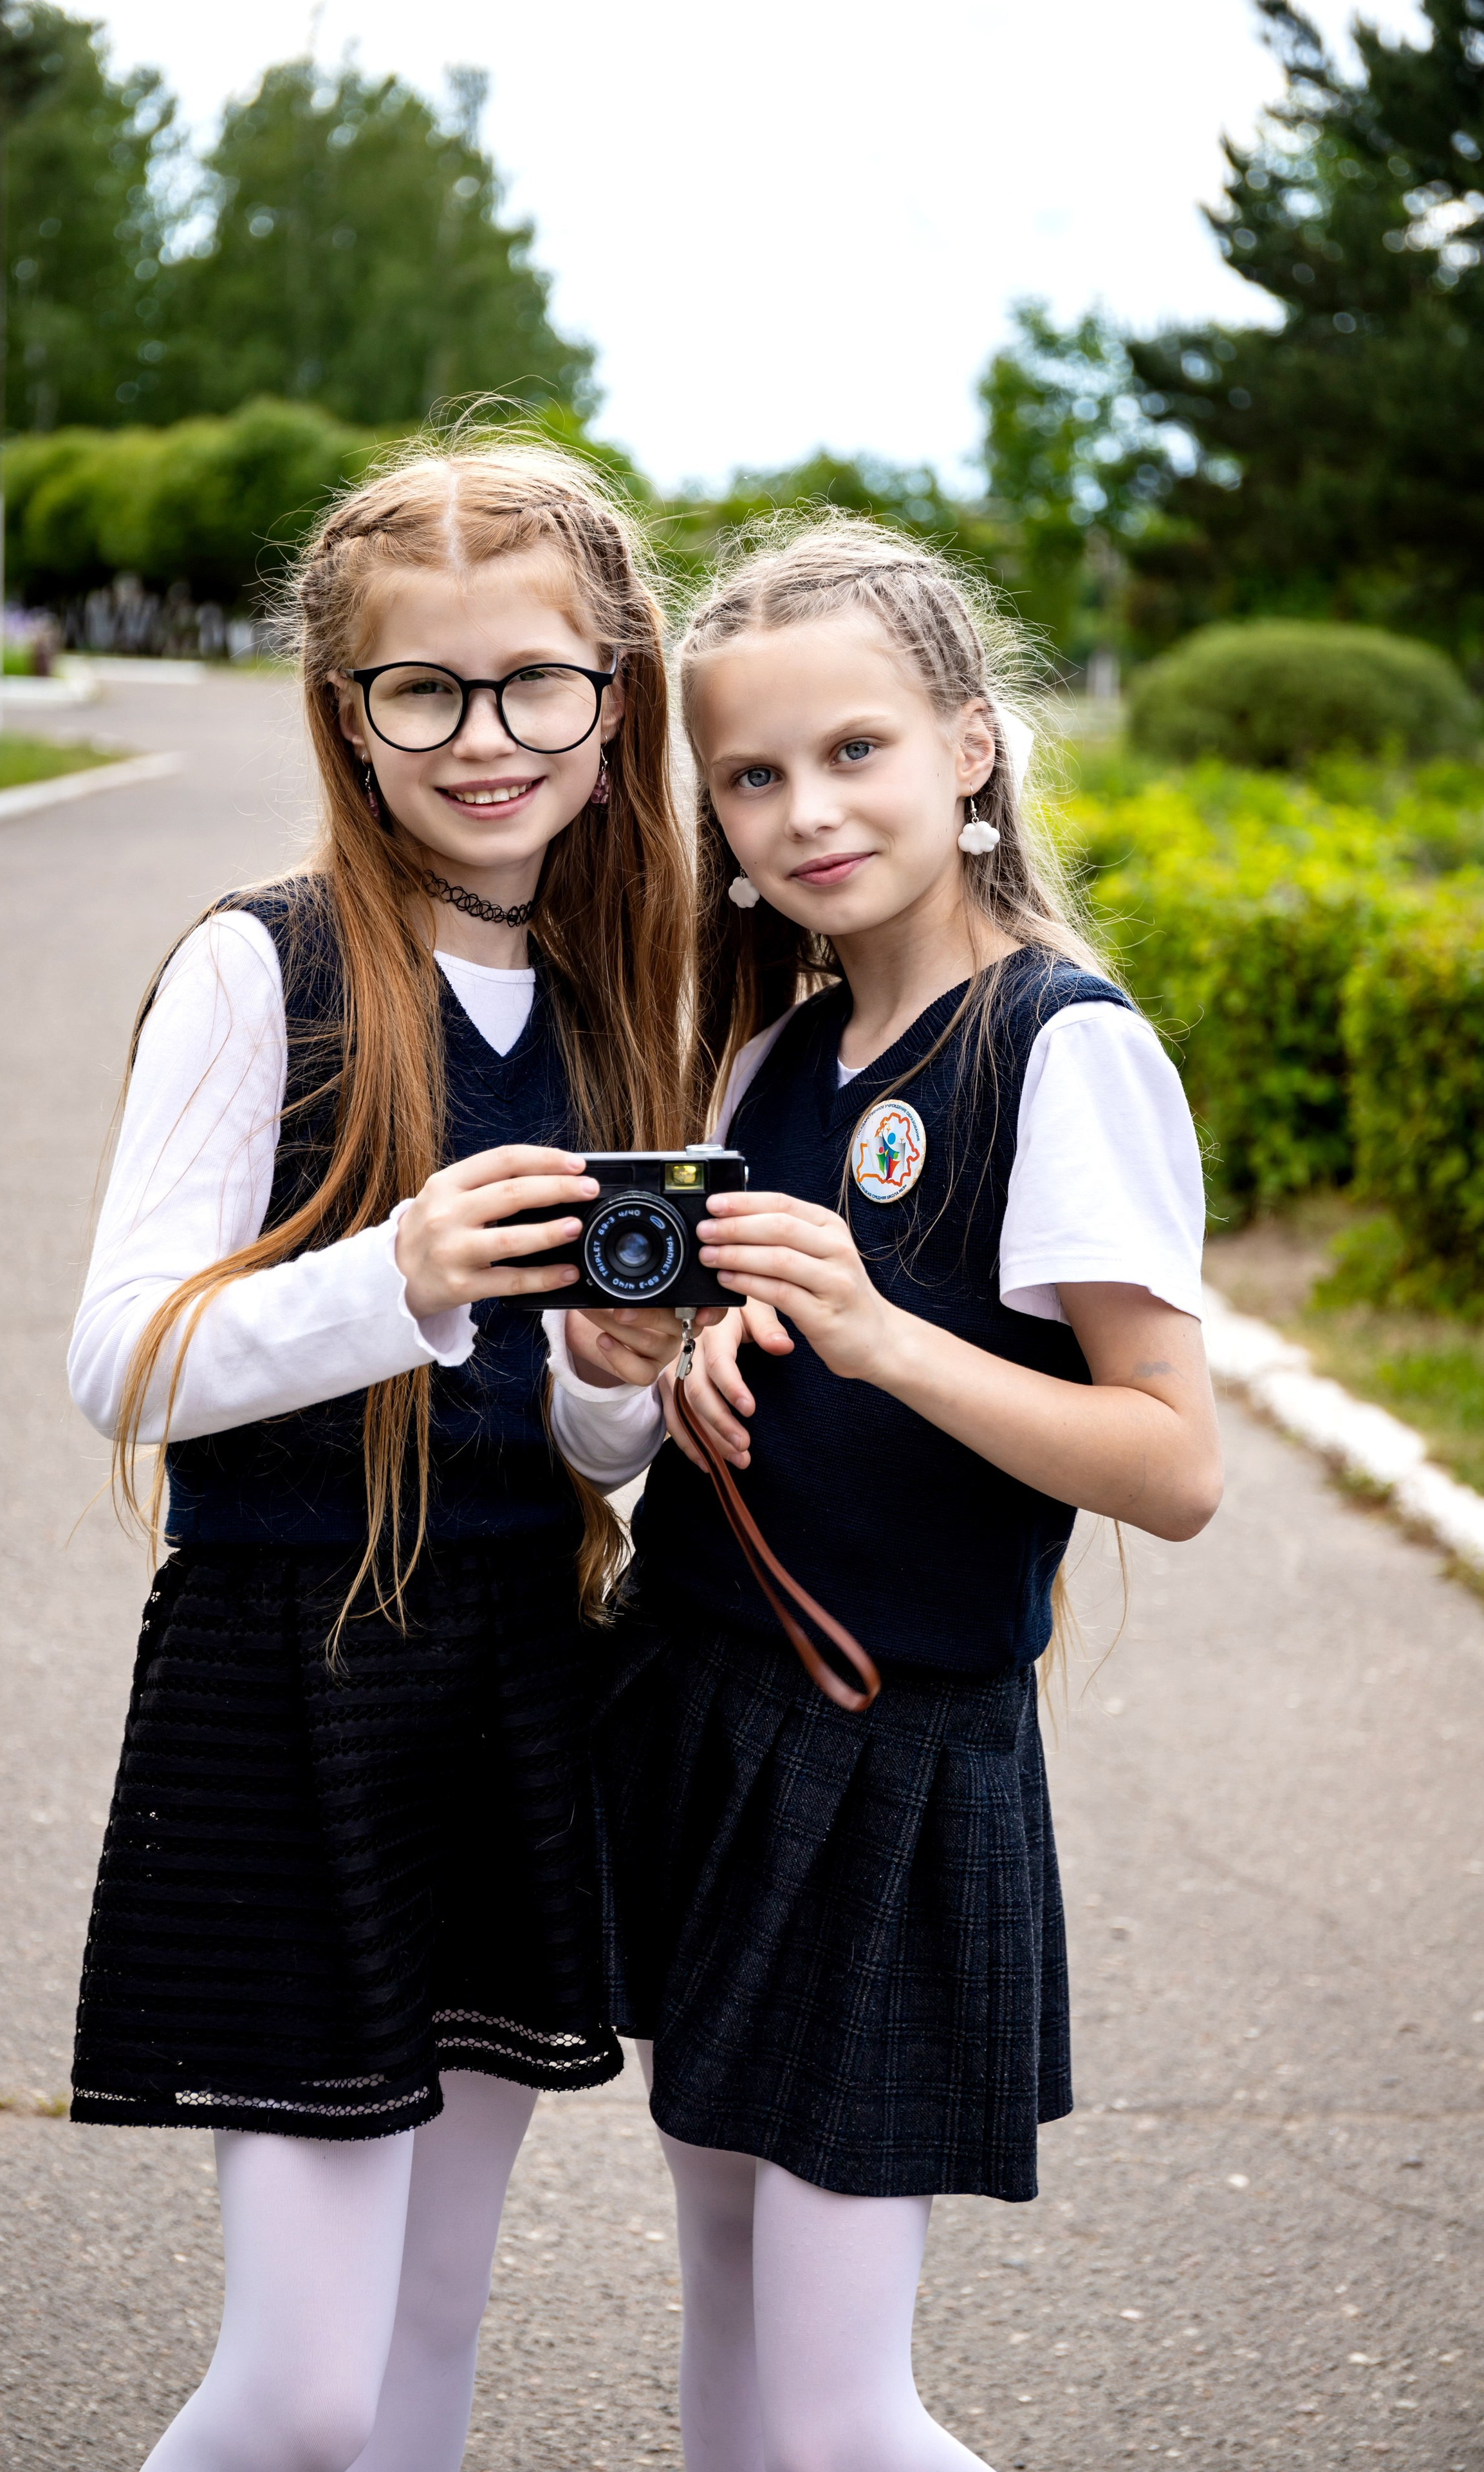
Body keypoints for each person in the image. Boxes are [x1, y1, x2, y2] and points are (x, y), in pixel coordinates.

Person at [66, 436, 691, 2472]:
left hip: (514, 1674)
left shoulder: (613, 995)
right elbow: (124, 1361)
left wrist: (616, 1372)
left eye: (538, 683)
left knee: (428, 2337)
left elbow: (587, 1438)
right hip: (289, 1680)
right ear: (348, 713)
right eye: (424, 690)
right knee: (308, 2391)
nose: (486, 737)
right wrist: (393, 1274)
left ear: (618, 696)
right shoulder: (268, 963)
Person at [594, 516, 1221, 2472]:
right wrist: (698, 1376)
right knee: (721, 2296)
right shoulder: (781, 1043)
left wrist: (881, 1342)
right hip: (711, 1698)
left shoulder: (1063, 1048)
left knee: (850, 2404)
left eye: (854, 750)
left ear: (971, 748)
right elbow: (755, 1352)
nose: (805, 810)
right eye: (754, 777)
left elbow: (1174, 1462)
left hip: (895, 1752)